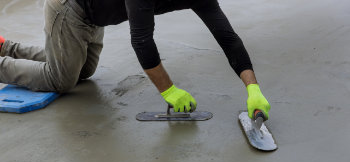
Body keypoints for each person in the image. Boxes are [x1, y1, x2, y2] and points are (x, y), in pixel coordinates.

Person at [0, 0, 270, 119]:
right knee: (61, 79)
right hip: (69, 10)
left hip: (93, 17)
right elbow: (141, 40)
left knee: (83, 72)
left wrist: (253, 89)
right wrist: (169, 90)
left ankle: (5, 46)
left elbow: (228, 37)